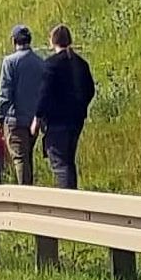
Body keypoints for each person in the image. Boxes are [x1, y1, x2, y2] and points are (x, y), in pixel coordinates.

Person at [32, 24, 96, 189]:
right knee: (68, 161)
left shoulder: (51, 65)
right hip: (76, 120)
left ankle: (67, 198)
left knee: (60, 163)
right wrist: (81, 107)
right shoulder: (81, 63)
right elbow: (90, 90)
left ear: (53, 41)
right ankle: (72, 193)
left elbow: (44, 94)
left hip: (57, 121)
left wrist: (37, 119)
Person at [0, 25, 47, 185]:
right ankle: (30, 190)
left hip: (15, 120)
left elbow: (5, 92)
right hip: (34, 120)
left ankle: (25, 194)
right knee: (28, 156)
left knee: (20, 158)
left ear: (14, 41)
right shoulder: (40, 62)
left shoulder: (9, 62)